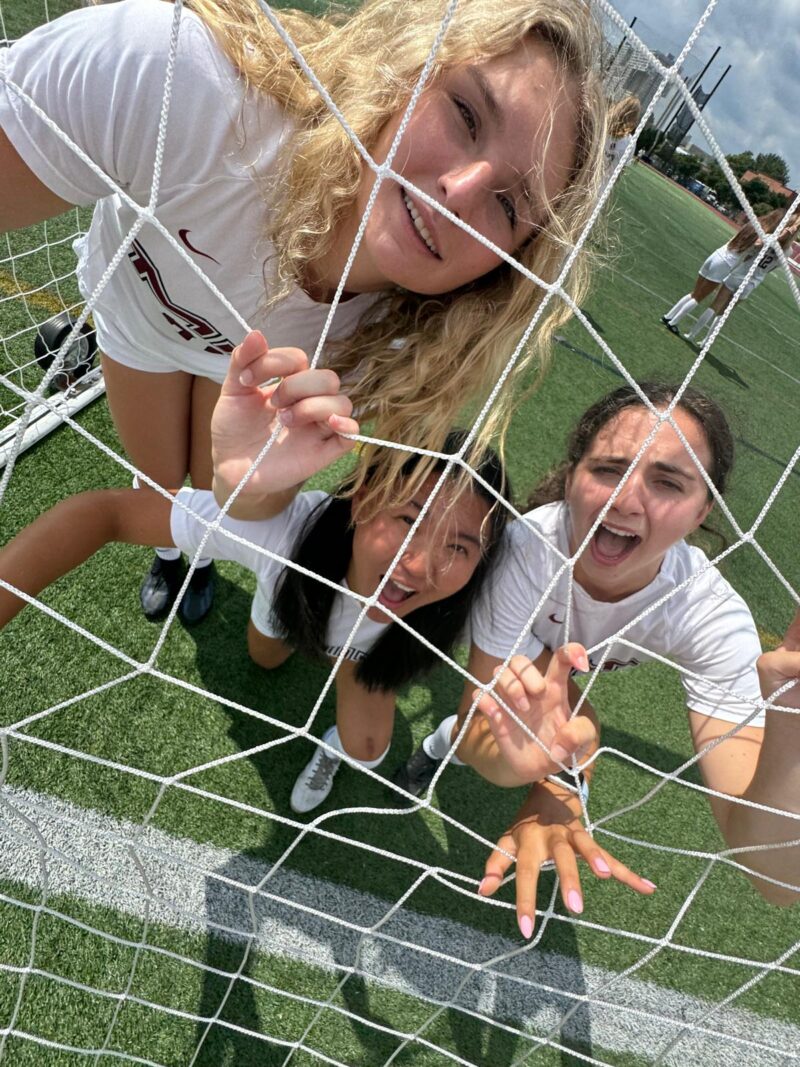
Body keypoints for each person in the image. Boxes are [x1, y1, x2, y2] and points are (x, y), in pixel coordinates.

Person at [0, 0, 606, 624]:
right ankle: (168, 552)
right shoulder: (180, 81)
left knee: (212, 490)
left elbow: (248, 503)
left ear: (508, 265)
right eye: (465, 113)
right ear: (408, 66)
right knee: (155, 477)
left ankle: (196, 558)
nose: (462, 191)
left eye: (509, 205)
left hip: (242, 378)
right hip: (137, 322)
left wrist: (250, 483)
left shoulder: (408, 345)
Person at [0, 331, 542, 816]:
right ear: (363, 500)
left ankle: (330, 740)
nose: (423, 565)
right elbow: (105, 513)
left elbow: (528, 678)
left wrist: (550, 776)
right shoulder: (287, 531)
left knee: (367, 751)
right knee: (264, 657)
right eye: (407, 519)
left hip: (372, 656)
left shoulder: (482, 597)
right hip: (295, 608)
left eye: (460, 546)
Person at [394, 381, 789, 936]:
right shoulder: (525, 552)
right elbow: (488, 730)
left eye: (668, 483)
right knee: (475, 735)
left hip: (567, 669)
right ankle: (436, 749)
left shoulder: (708, 615)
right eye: (608, 469)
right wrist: (551, 781)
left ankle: (441, 748)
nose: (626, 500)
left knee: (535, 727)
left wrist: (791, 715)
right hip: (527, 643)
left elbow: (775, 878)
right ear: (574, 474)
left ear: (703, 512)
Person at [661, 208, 798, 340]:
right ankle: (673, 323)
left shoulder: (754, 224)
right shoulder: (769, 238)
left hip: (717, 255)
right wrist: (788, 232)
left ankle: (668, 316)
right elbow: (762, 247)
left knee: (695, 293)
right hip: (728, 265)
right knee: (699, 298)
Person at [602, 94, 640, 190]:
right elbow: (620, 171)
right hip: (602, 189)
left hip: (583, 179)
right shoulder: (630, 142)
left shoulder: (603, 125)